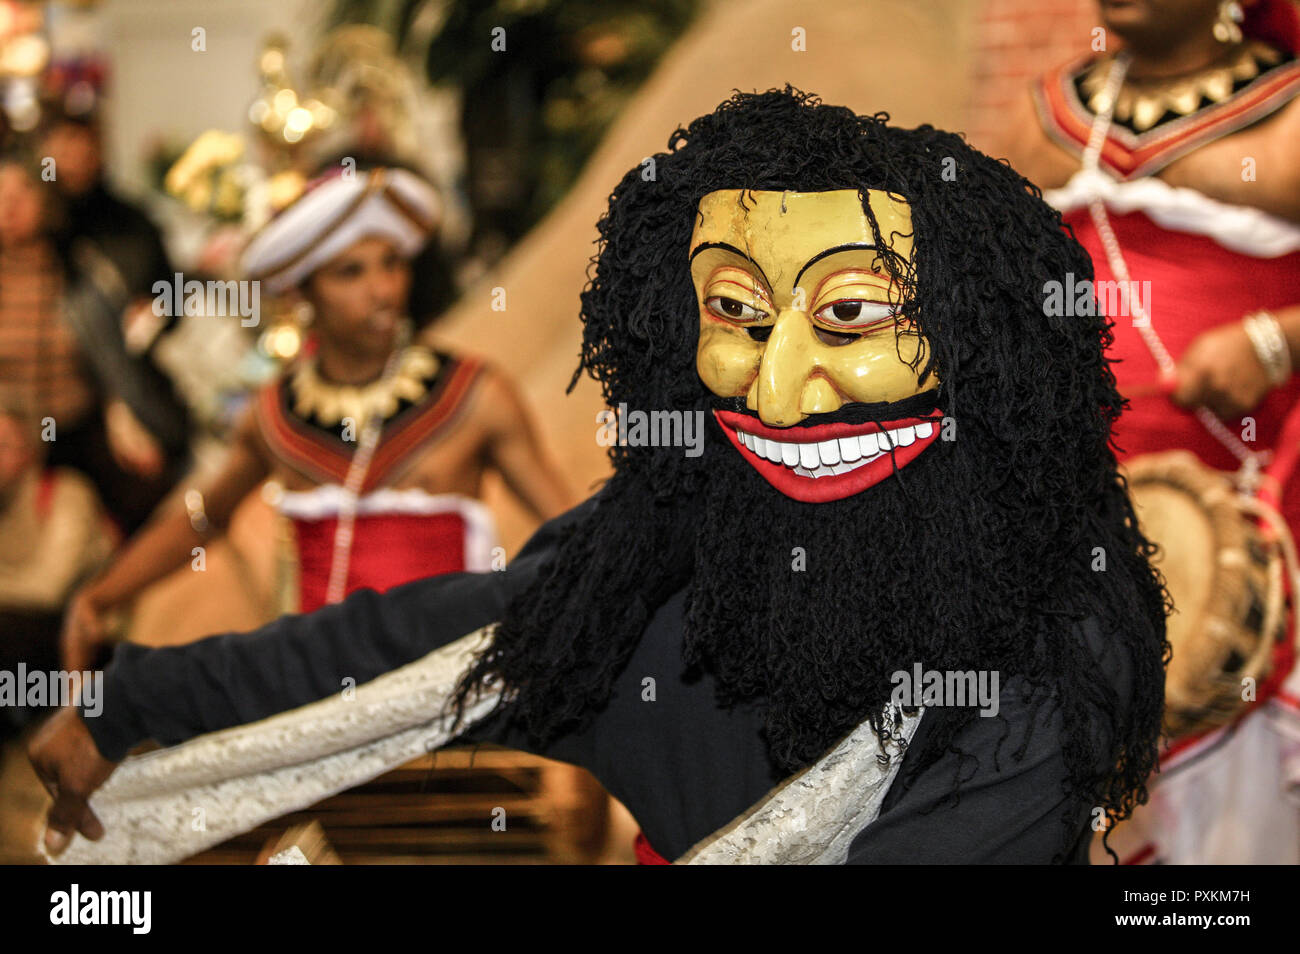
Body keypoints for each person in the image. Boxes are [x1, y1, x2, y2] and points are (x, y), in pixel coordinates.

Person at [30, 88, 1168, 864]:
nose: (774, 393)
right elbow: (410, 643)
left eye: (853, 315)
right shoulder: (648, 573)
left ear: (986, 351)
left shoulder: (1047, 630)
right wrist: (130, 700)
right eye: (734, 312)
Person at [991, 0, 1300, 862]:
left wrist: (1275, 342)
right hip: (1063, 536)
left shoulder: (1291, 111)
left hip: (1259, 533)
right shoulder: (1036, 117)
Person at [59, 163, 574, 671]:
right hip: (317, 693)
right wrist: (100, 597)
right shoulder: (273, 416)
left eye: (392, 263)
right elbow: (203, 520)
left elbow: (570, 529)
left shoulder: (474, 396)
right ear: (301, 293)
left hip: (448, 695)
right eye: (351, 271)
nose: (382, 289)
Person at [0, 398, 113, 741]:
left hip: (87, 639)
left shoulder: (66, 492)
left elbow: (49, 589)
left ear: (32, 451)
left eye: (4, 446)